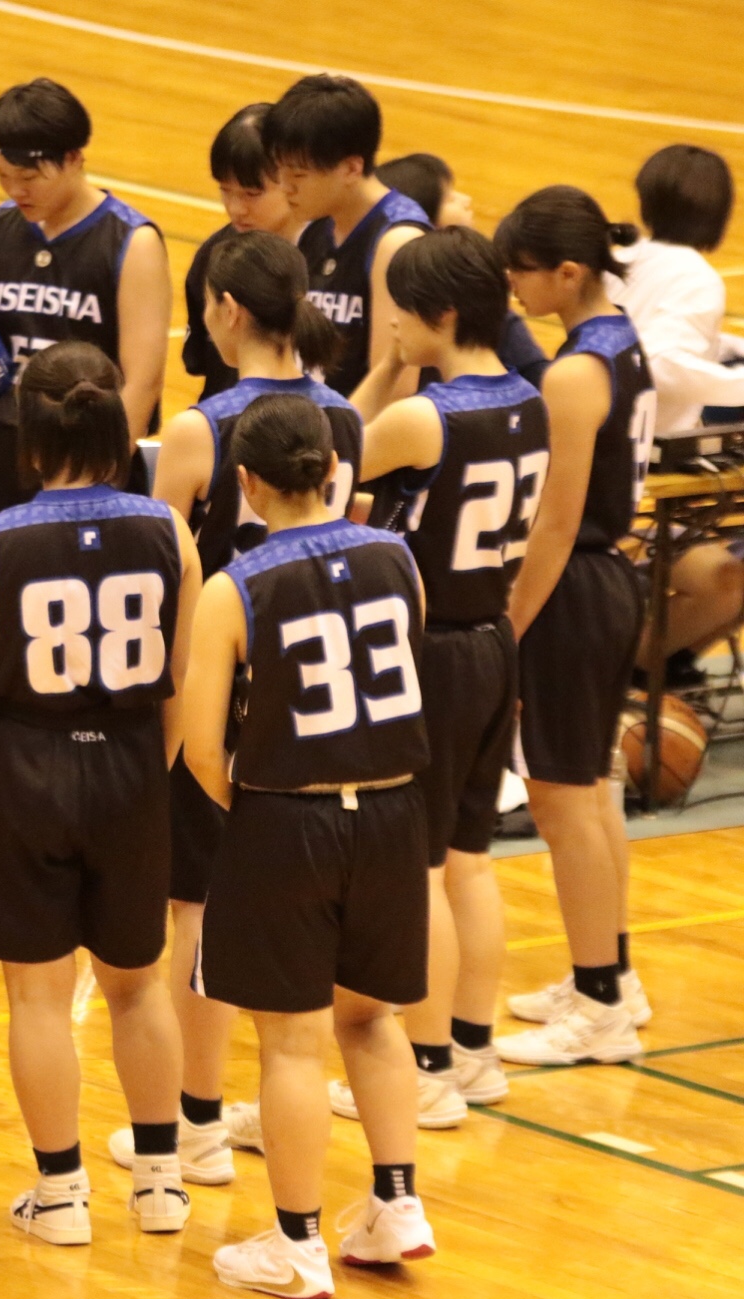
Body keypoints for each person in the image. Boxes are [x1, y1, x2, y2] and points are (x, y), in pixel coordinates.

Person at [0, 342, 200, 1245]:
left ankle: (60, 1195)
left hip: (26, 768)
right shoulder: (170, 530)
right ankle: (161, 1184)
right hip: (129, 764)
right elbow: (182, 679)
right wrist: (151, 769)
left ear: (33, 439)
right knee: (139, 985)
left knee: (41, 997)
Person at [107, 228, 352, 1184]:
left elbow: (157, 564)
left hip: (219, 689)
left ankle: (197, 1122)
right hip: (318, 689)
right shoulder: (346, 416)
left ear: (228, 310)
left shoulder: (201, 428)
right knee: (296, 907)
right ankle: (273, 1095)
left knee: (195, 911)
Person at [186, 393, 435, 1299]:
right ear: (334, 468)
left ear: (246, 483)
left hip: (288, 818)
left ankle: (296, 1243)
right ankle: (397, 1203)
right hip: (396, 811)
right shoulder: (398, 556)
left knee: (291, 1043)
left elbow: (202, 748)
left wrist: (257, 811)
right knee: (373, 1018)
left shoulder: (234, 586)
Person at [331, 226, 546, 1127]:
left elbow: (324, 459)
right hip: (493, 636)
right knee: (469, 857)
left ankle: (425, 1068)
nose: (392, 326)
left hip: (429, 652)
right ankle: (473, 1049)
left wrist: (384, 372)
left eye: (402, 314)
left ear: (443, 314)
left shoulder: (427, 415)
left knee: (415, 866)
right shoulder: (530, 396)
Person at [492, 188, 654, 1065]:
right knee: (589, 792)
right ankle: (611, 975)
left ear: (566, 271)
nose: (513, 288)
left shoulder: (573, 372)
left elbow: (553, 525)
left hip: (574, 582)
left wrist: (510, 623)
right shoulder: (620, 338)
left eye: (521, 272)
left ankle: (599, 1005)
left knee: (562, 799)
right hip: (611, 577)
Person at [0, 78, 171, 532]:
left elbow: (143, 381)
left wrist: (97, 476)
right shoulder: (0, 226)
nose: (15, 190)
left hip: (90, 461)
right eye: (3, 177)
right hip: (4, 447)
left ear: (74, 158)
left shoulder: (132, 242)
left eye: (29, 178)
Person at [606, 147, 744, 673]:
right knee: (727, 583)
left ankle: (651, 675)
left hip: (614, 463)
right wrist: (738, 384)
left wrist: (725, 347)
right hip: (640, 483)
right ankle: (627, 680)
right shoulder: (696, 276)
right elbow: (660, 362)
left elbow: (648, 338)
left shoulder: (628, 257)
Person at [262, 75, 430, 409]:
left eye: (298, 175)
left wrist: (338, 437)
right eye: (280, 172)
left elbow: (395, 388)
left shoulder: (396, 241)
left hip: (359, 434)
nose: (285, 187)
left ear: (352, 168)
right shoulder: (313, 228)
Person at [377, 153, 549, 387]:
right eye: (449, 198)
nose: (465, 200)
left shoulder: (490, 310)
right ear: (422, 221)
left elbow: (541, 381)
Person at [185, 103, 300, 402]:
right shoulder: (213, 256)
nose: (236, 209)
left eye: (252, 194)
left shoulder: (330, 256)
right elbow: (202, 364)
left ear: (292, 180)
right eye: (225, 191)